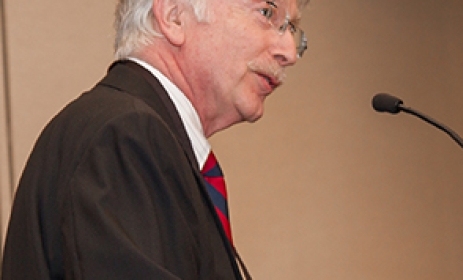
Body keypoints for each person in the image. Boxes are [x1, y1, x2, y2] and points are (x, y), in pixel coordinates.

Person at [1, 0, 307, 278]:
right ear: (174, 16)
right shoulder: (123, 138)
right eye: (266, 13)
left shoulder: (136, 134)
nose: (290, 53)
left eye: (292, 29)